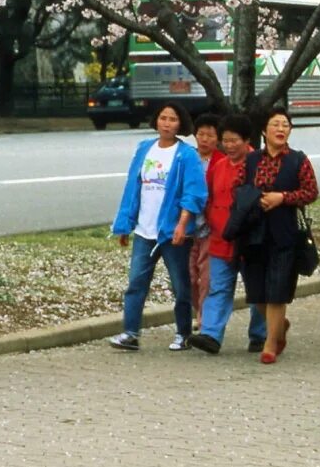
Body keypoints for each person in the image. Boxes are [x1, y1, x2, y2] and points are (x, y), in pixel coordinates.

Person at [107, 99, 208, 352]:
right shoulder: (144, 149)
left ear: (180, 124)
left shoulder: (187, 155)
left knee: (180, 286)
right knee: (136, 284)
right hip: (144, 231)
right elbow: (133, 188)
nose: (167, 123)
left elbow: (193, 193)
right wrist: (124, 226)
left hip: (173, 233)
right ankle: (130, 333)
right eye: (163, 118)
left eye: (173, 119)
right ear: (156, 121)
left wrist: (182, 225)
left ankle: (183, 333)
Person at [225, 109, 319, 363]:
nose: (281, 129)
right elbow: (238, 188)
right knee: (256, 292)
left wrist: (283, 198)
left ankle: (270, 342)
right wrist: (258, 198)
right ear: (264, 131)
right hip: (254, 231)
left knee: (278, 288)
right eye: (275, 124)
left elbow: (310, 192)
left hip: (284, 232)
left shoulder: (299, 160)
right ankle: (279, 325)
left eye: (285, 125)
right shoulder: (252, 159)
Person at [190, 114, 267, 354]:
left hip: (250, 239)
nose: (229, 146)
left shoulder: (259, 164)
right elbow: (210, 198)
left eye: (235, 140)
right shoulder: (219, 166)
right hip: (220, 237)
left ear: (246, 140)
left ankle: (260, 334)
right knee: (218, 286)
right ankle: (211, 334)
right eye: (225, 141)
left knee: (256, 290)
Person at [188, 110, 222, 328]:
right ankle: (196, 310)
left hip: (211, 228)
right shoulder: (187, 158)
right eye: (201, 134)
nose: (205, 139)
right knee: (190, 275)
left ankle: (203, 320)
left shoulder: (221, 161)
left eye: (210, 135)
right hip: (188, 226)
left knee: (207, 277)